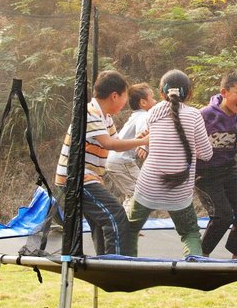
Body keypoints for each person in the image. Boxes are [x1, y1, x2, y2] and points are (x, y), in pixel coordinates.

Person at [54, 70, 148, 256]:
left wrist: (140, 138)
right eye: (125, 97)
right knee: (116, 216)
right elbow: (109, 144)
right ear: (114, 96)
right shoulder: (91, 112)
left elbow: (118, 144)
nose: (125, 102)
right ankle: (116, 265)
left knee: (101, 222)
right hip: (76, 179)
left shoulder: (105, 116)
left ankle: (102, 261)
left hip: (87, 178)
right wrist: (143, 141)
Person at [126, 70, 213, 257]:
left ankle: (127, 266)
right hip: (179, 191)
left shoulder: (153, 112)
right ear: (189, 93)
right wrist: (192, 149)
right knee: (189, 233)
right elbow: (207, 154)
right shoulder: (194, 115)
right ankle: (194, 264)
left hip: (148, 185)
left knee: (130, 230)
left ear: (161, 93)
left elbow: (152, 139)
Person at [195, 70, 237, 259]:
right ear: (224, 92)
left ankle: (236, 259)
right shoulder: (204, 115)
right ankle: (201, 255)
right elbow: (183, 134)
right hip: (205, 174)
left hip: (228, 171)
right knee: (223, 215)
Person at [105, 83, 157, 215]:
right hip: (121, 160)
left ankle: (123, 220)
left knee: (133, 193)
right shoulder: (144, 116)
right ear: (143, 102)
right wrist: (143, 146)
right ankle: (125, 223)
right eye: (152, 98)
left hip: (114, 160)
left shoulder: (136, 115)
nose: (155, 101)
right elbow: (142, 132)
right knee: (141, 193)